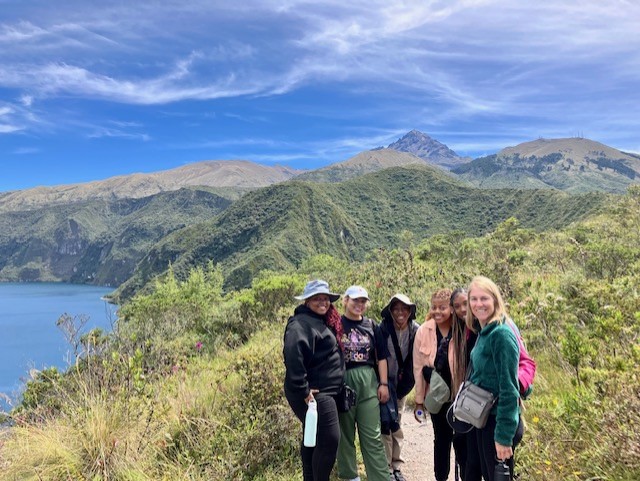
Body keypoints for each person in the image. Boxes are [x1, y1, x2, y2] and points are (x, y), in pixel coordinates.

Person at [283, 280, 345, 481]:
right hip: (317, 393)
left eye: (325, 298)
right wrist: (303, 390)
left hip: (324, 391)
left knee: (313, 438)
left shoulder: (319, 321)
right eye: (317, 298)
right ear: (307, 301)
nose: (323, 302)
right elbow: (293, 355)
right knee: (329, 440)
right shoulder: (300, 324)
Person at [466, 276, 524, 481]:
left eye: (484, 298)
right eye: (474, 299)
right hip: (485, 417)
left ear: (495, 301)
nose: (478, 304)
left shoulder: (501, 334)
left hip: (499, 422)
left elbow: (509, 389)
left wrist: (503, 437)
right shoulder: (485, 331)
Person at [336, 285, 391, 481]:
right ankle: (350, 476)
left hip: (368, 382)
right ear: (346, 301)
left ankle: (380, 477)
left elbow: (382, 357)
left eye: (363, 301)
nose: (359, 305)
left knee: (372, 436)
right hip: (343, 383)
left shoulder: (371, 325)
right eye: (355, 300)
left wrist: (383, 384)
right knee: (345, 435)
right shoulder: (336, 324)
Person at [413, 288, 466, 481]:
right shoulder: (423, 331)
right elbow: (418, 368)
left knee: (462, 440)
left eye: (442, 308)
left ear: (451, 309)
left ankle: (463, 476)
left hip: (460, 396)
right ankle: (441, 477)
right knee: (441, 440)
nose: (438, 312)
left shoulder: (462, 328)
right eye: (434, 307)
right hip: (437, 395)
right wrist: (419, 401)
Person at [378, 294, 420, 481]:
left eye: (404, 309)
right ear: (390, 311)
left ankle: (396, 465)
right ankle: (386, 466)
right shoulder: (384, 329)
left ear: (410, 311)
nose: (400, 312)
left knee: (397, 422)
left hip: (403, 385)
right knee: (385, 423)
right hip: (385, 384)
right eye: (396, 309)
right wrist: (382, 383)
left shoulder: (415, 330)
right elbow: (378, 356)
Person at [449, 288, 480, 481]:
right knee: (461, 442)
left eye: (464, 303)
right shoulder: (459, 331)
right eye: (457, 306)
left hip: (482, 397)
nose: (462, 309)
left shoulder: (482, 327)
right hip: (467, 398)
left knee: (477, 449)